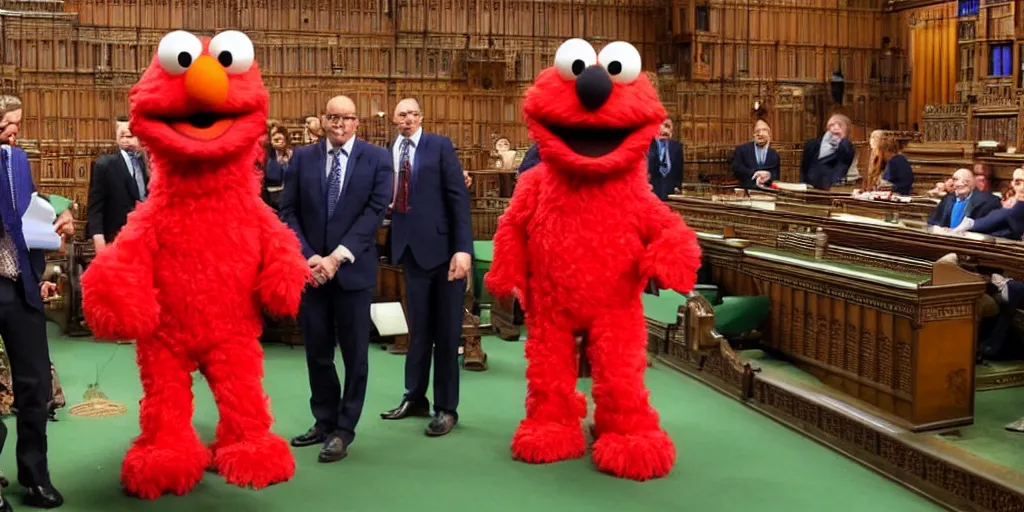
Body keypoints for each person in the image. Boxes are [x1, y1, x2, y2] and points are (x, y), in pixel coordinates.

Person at [279, 96, 393, 462]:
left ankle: (345, 429)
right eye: (333, 117)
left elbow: (374, 213)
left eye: (346, 118)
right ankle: (324, 420)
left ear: (357, 122)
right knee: (317, 353)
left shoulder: (376, 159)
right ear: (323, 121)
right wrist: (310, 256)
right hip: (311, 273)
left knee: (356, 355)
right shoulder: (303, 158)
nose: (339, 124)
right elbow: (288, 211)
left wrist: (336, 257)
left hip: (352, 273)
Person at [380, 98, 472, 437]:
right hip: (410, 251)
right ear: (394, 118)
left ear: (421, 117)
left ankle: (446, 408)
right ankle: (414, 397)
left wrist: (463, 249)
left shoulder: (439, 146)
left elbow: (458, 198)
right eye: (401, 114)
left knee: (447, 333)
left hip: (445, 254)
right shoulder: (389, 151)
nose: (407, 119)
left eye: (413, 113)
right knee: (418, 331)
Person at [0, 94, 64, 509]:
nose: (14, 131)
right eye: (7, 124)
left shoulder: (18, 161)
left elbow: (32, 211)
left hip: (19, 283)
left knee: (34, 382)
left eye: (17, 124)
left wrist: (60, 221)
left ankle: (34, 474)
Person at [86, 119, 148, 253]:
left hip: (145, 238)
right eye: (122, 136)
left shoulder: (147, 165)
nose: (126, 140)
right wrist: (98, 239)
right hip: (116, 239)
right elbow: (95, 208)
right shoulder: (105, 165)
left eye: (130, 136)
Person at [732, 120, 780, 189]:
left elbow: (776, 176)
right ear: (753, 135)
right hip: (747, 191)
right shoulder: (741, 150)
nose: (760, 134)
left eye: (764, 130)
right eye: (757, 131)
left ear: (769, 135)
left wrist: (768, 176)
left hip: (768, 193)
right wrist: (754, 173)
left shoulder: (774, 155)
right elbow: (737, 169)